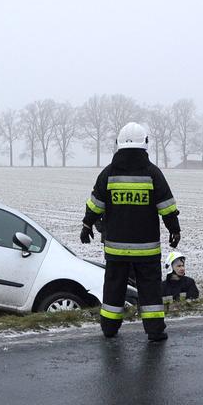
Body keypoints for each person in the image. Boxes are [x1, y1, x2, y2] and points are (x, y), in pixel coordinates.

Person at [81, 122, 181, 342]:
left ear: (118, 143)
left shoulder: (108, 173)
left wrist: (87, 225)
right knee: (150, 290)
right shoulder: (153, 173)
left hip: (116, 248)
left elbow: (96, 204)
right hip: (147, 249)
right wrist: (174, 229)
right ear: (145, 143)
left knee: (113, 288)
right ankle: (155, 331)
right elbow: (166, 206)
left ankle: (109, 328)